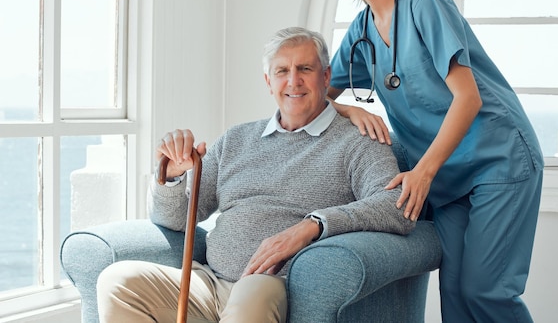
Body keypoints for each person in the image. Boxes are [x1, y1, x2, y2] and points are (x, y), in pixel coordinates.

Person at [96, 27, 415, 322]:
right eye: (282, 71)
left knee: (253, 291)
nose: (293, 81)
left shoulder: (357, 140)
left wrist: (313, 225)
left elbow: (396, 207)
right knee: (118, 281)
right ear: (268, 81)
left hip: (276, 289)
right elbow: (177, 221)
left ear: (326, 76)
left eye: (305, 69)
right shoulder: (236, 139)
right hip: (211, 284)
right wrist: (171, 176)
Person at [320, 0, 544, 323]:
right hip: (447, 175)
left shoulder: (424, 4)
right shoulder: (362, 29)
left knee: (486, 291)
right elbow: (318, 94)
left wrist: (422, 172)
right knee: (456, 299)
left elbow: (468, 98)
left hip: (498, 158)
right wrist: (348, 108)